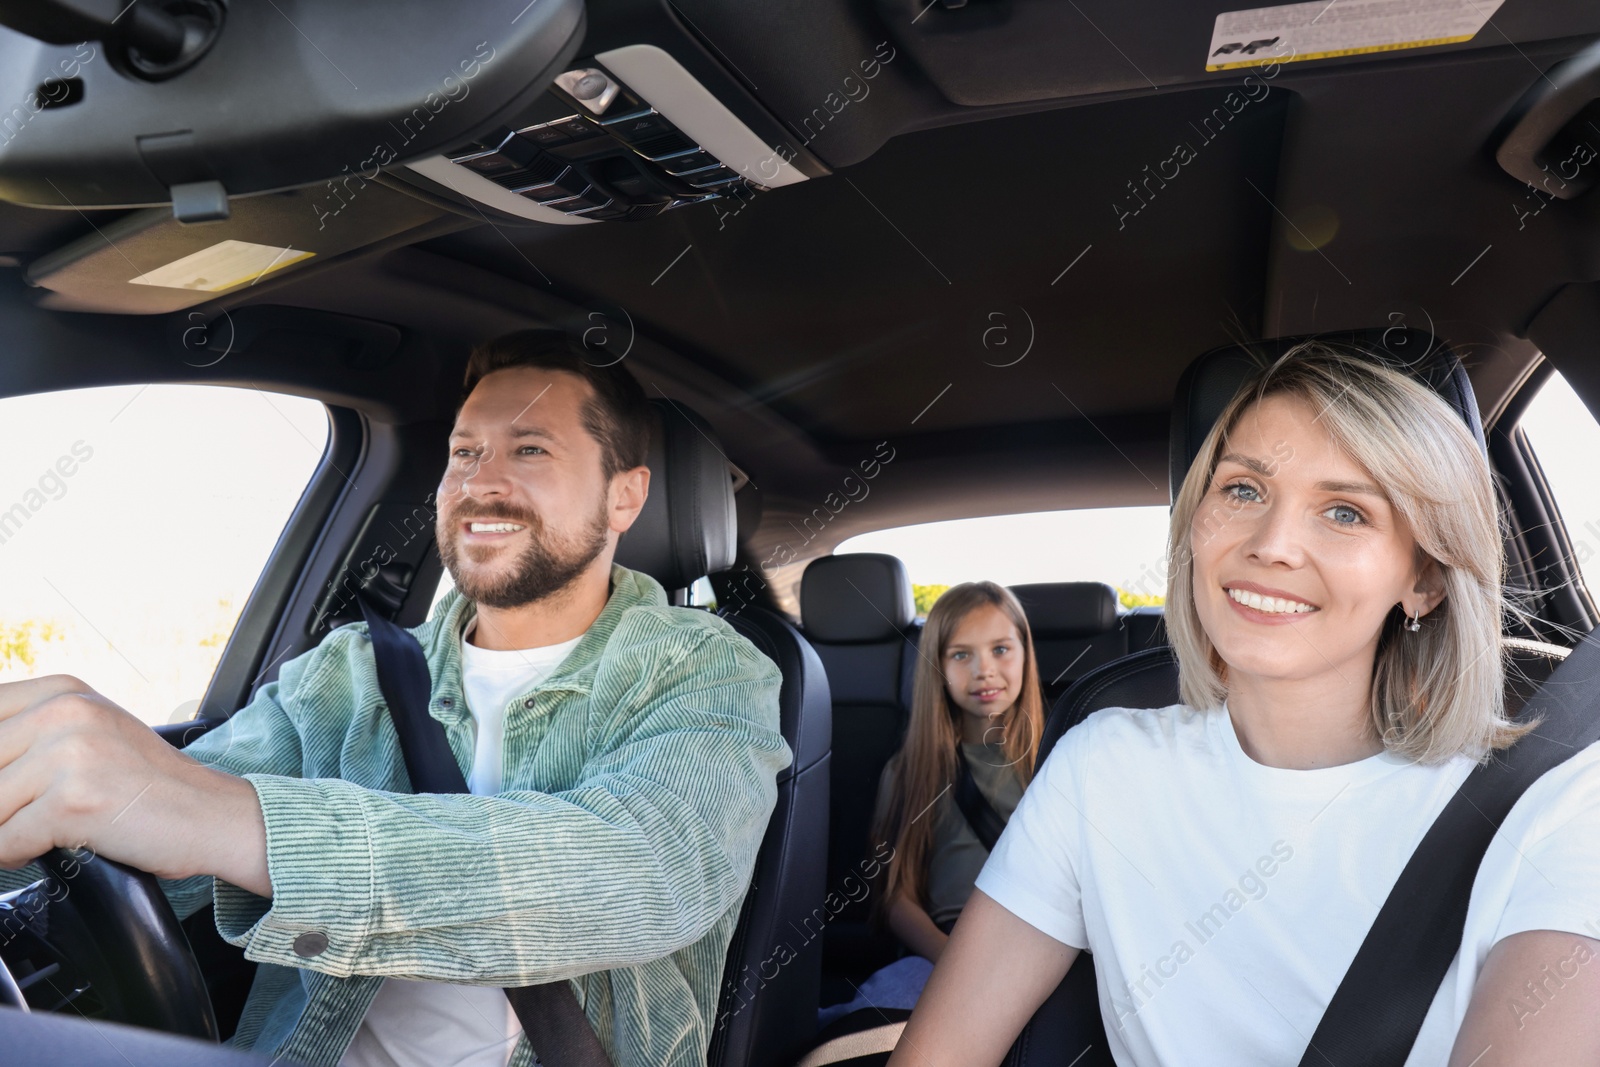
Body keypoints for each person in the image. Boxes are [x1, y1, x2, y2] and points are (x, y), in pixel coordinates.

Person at [0, 329, 790, 1067]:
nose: (482, 481)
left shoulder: (708, 672)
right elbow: (151, 841)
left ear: (625, 497)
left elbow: (640, 874)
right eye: (465, 451)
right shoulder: (353, 670)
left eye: (530, 448)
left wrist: (237, 821)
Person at [889, 341, 1600, 1066]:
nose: (1272, 543)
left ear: (1424, 579)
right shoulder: (1099, 769)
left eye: (1347, 511)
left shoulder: (1554, 800)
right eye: (1244, 490)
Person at [819, 581, 1044, 1026]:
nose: (984, 670)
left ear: (1024, 652)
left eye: (1001, 649)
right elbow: (896, 897)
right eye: (961, 655)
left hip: (1046, 941)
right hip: (946, 948)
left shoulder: (1056, 755)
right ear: (936, 666)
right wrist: (956, 962)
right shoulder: (911, 770)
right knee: (863, 1026)